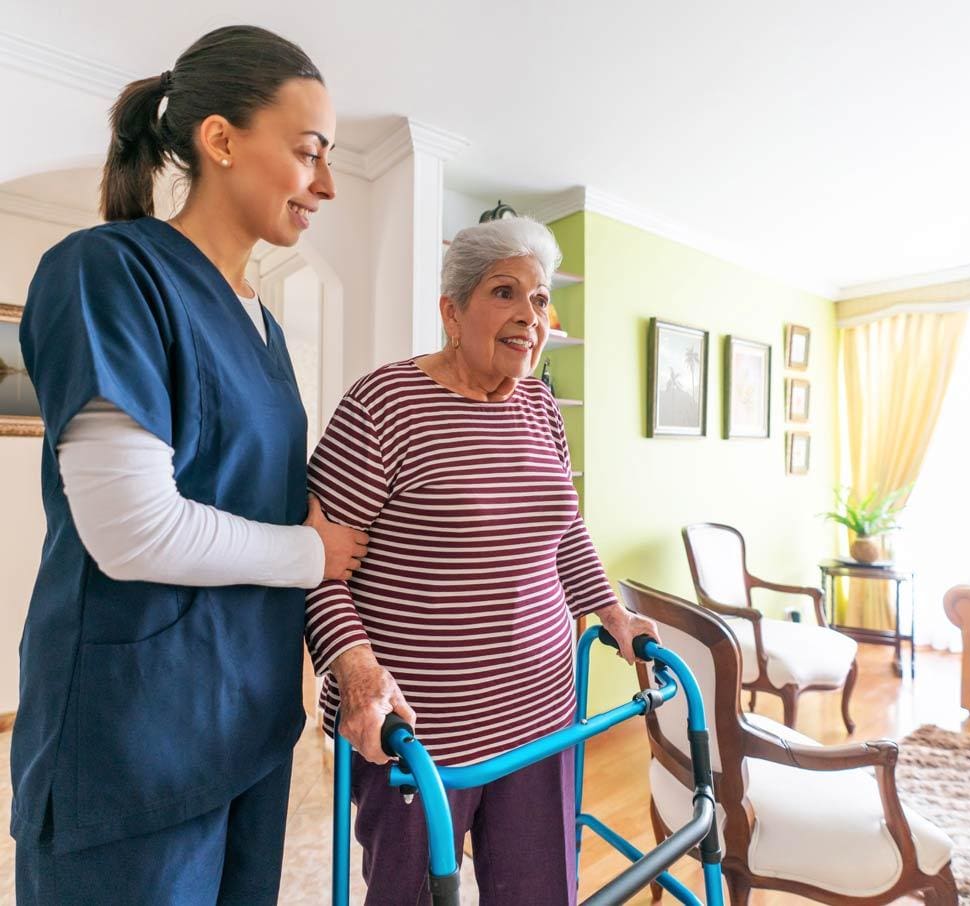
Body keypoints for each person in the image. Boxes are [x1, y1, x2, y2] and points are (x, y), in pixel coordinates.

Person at [12, 25, 368, 905]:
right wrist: (311, 555)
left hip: (249, 724)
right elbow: (133, 530)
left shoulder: (266, 325)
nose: (325, 184)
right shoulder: (108, 272)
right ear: (220, 141)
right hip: (135, 739)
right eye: (309, 153)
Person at [305, 216, 659, 905]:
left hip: (544, 711)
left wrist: (614, 612)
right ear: (451, 310)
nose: (530, 314)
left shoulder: (540, 404)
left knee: (537, 891)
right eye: (505, 292)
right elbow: (318, 572)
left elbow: (563, 531)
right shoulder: (382, 405)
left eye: (539, 298)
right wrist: (354, 672)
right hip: (418, 730)